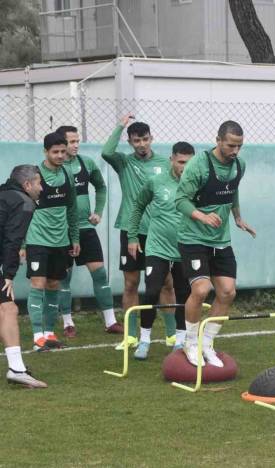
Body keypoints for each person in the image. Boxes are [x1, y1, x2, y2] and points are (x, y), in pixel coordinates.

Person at [175, 121, 256, 368]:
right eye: (231, 145)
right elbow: (180, 200)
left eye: (239, 146)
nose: (235, 151)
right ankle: (189, 342)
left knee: (228, 292)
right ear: (218, 140)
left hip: (220, 240)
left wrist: (238, 217)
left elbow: (232, 191)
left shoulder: (239, 165)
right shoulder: (198, 166)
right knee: (200, 290)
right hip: (193, 238)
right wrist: (202, 216)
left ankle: (206, 343)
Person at [102, 115, 173, 348]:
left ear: (151, 138)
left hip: (159, 232)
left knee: (166, 283)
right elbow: (106, 152)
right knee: (131, 283)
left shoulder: (165, 163)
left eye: (144, 139)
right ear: (130, 142)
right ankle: (131, 335)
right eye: (136, 141)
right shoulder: (123, 162)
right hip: (131, 230)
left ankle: (172, 333)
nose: (141, 144)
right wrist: (121, 125)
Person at [126, 142, 196, 360]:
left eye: (190, 162)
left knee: (184, 294)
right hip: (157, 248)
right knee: (152, 291)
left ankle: (180, 340)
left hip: (184, 249)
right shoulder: (156, 182)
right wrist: (132, 236)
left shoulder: (196, 186)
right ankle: (144, 340)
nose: (185, 167)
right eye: (181, 162)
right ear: (172, 160)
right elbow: (138, 206)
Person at [54, 125, 122, 337]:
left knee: (99, 273)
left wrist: (98, 212)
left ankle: (110, 321)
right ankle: (68, 324)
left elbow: (101, 188)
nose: (75, 145)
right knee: (64, 277)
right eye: (71, 142)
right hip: (62, 231)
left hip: (85, 229)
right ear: (61, 144)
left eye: (77, 141)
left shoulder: (87, 163)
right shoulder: (53, 169)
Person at [24, 133, 80, 351]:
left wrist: (74, 237)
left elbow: (73, 209)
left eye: (62, 152)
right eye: (55, 152)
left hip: (60, 241)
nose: (59, 156)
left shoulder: (67, 173)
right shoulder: (34, 176)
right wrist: (21, 245)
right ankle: (37, 336)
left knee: (54, 285)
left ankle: (49, 332)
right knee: (37, 284)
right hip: (37, 241)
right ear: (45, 152)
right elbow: (22, 211)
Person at [0, 165, 47, 387]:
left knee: (5, 308)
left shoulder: (5, 195)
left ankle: (17, 368)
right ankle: (17, 369)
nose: (42, 187)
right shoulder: (24, 202)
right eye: (39, 182)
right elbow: (12, 239)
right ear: (27, 184)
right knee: (9, 308)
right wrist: (8, 274)